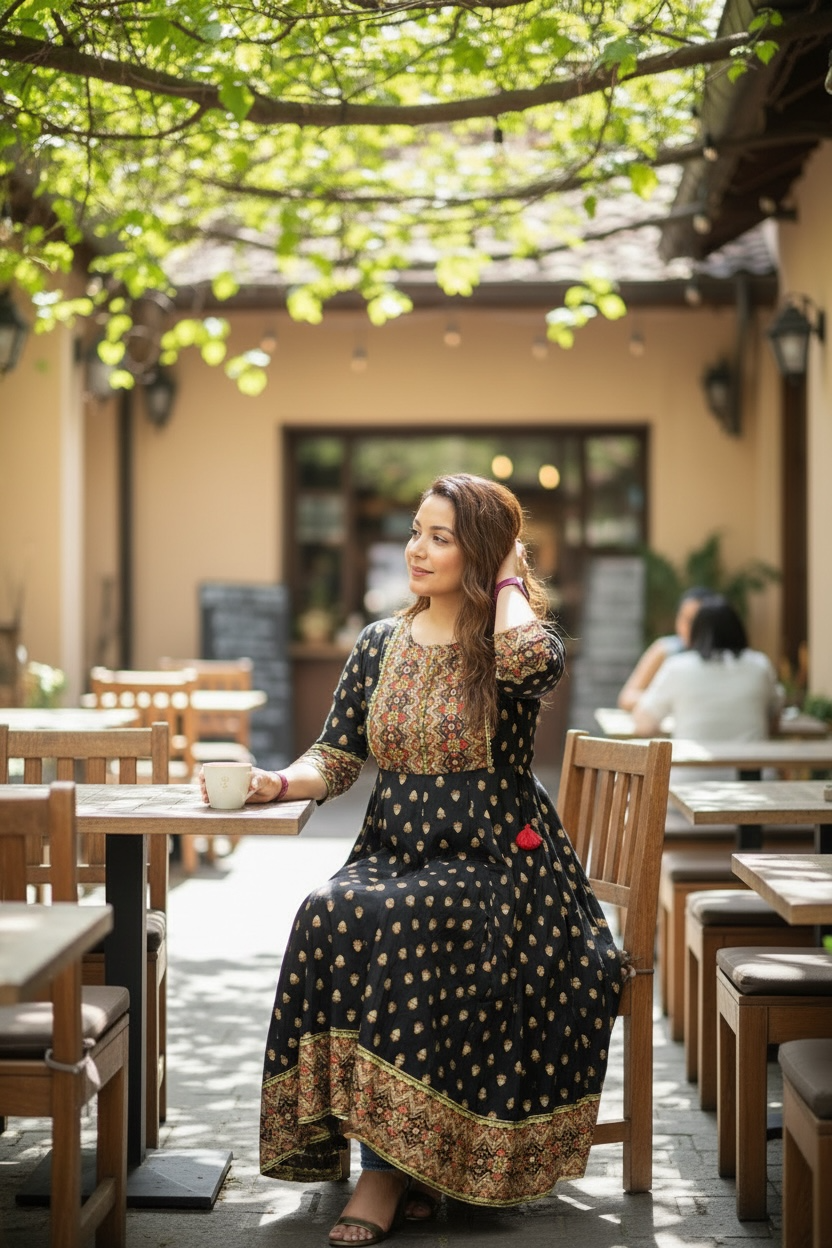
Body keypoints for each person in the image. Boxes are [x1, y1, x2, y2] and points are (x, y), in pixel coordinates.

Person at [216, 474, 628, 1245]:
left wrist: (508, 578)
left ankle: (385, 1173)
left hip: (497, 864)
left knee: (403, 918)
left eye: (441, 538)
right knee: (328, 909)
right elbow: (336, 754)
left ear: (483, 553)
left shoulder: (511, 639)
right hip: (395, 848)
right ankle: (395, 1155)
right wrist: (277, 782)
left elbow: (533, 665)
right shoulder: (379, 643)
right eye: (416, 531)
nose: (417, 549)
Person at [631, 594, 783, 775]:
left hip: (689, 779)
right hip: (753, 780)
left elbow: (644, 724)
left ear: (696, 632)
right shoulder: (760, 665)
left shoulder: (678, 667)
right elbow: (774, 720)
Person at [616, 585, 711, 711]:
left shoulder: (722, 658)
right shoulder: (666, 650)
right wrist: (668, 699)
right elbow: (627, 698)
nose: (690, 628)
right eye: (685, 619)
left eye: (697, 622)